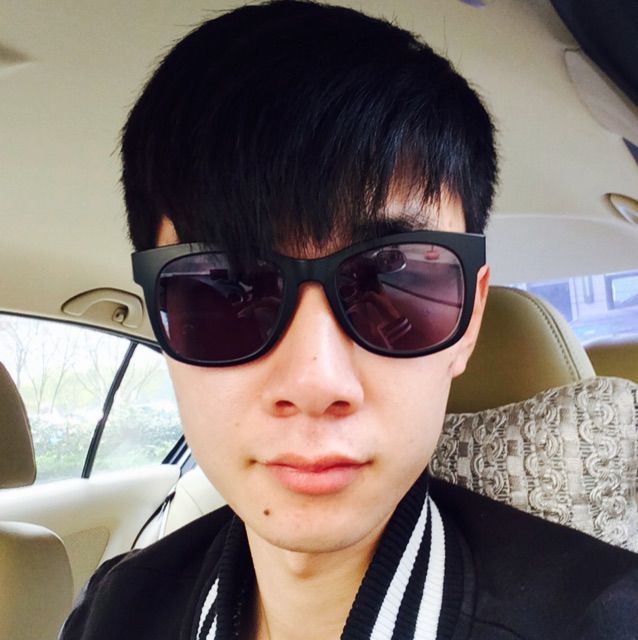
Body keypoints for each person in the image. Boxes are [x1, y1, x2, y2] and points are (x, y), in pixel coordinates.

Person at [60, 2, 638, 639]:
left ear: (470, 319)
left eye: (392, 282)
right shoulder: (115, 611)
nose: (315, 382)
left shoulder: (607, 621)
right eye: (227, 291)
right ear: (162, 319)